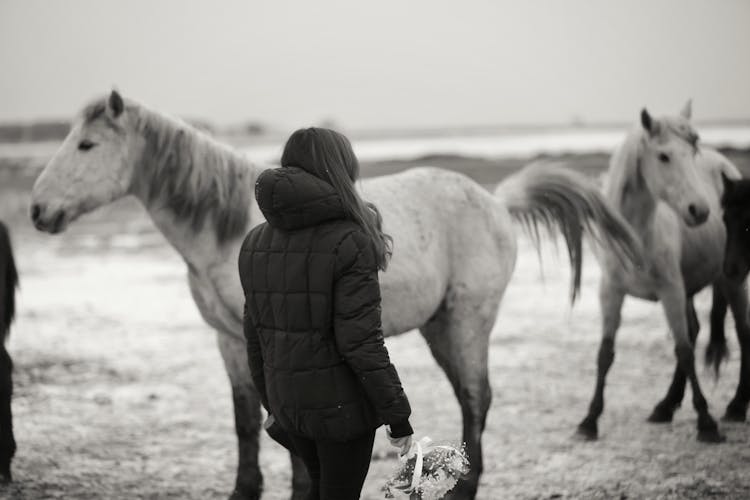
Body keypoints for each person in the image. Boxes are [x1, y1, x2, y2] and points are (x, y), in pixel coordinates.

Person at [238, 127, 414, 499]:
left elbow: (254, 337)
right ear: (340, 167)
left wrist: (273, 404)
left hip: (290, 406)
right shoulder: (351, 239)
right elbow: (361, 342)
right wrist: (398, 417)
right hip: (341, 412)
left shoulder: (255, 241)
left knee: (318, 490)